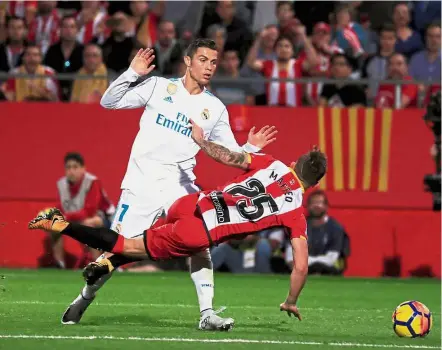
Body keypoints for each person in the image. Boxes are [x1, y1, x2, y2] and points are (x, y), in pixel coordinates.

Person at [60, 39, 277, 331]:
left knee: (200, 240)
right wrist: (132, 73)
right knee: (114, 251)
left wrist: (250, 146)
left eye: (213, 62)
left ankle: (207, 313)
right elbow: (108, 101)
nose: (209, 67)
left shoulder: (215, 108)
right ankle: (84, 297)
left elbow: (233, 155)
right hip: (141, 182)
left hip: (180, 186)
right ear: (188, 61)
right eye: (203, 60)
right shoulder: (158, 87)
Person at [29, 124, 328, 321]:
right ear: (313, 184)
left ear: (294, 163)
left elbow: (229, 158)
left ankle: (206, 313)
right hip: (199, 232)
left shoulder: (272, 163)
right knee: (126, 245)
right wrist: (290, 299)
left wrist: (205, 141)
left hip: (192, 202)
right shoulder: (296, 213)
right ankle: (61, 225)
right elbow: (300, 265)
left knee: (134, 246)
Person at [48, 152, 115, 269]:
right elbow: (60, 207)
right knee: (53, 225)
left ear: (83, 168)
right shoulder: (61, 184)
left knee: (89, 224)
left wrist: (66, 217)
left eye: (75, 167)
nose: (71, 171)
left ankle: (97, 264)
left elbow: (90, 210)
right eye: (68, 167)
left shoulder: (92, 182)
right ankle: (59, 264)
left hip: (105, 219)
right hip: (76, 219)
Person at [44, 15, 84, 101]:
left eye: (72, 27)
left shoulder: (83, 50)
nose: (68, 30)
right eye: (65, 27)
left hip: (78, 92)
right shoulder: (52, 50)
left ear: (77, 30)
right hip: (55, 93)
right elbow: (46, 71)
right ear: (60, 30)